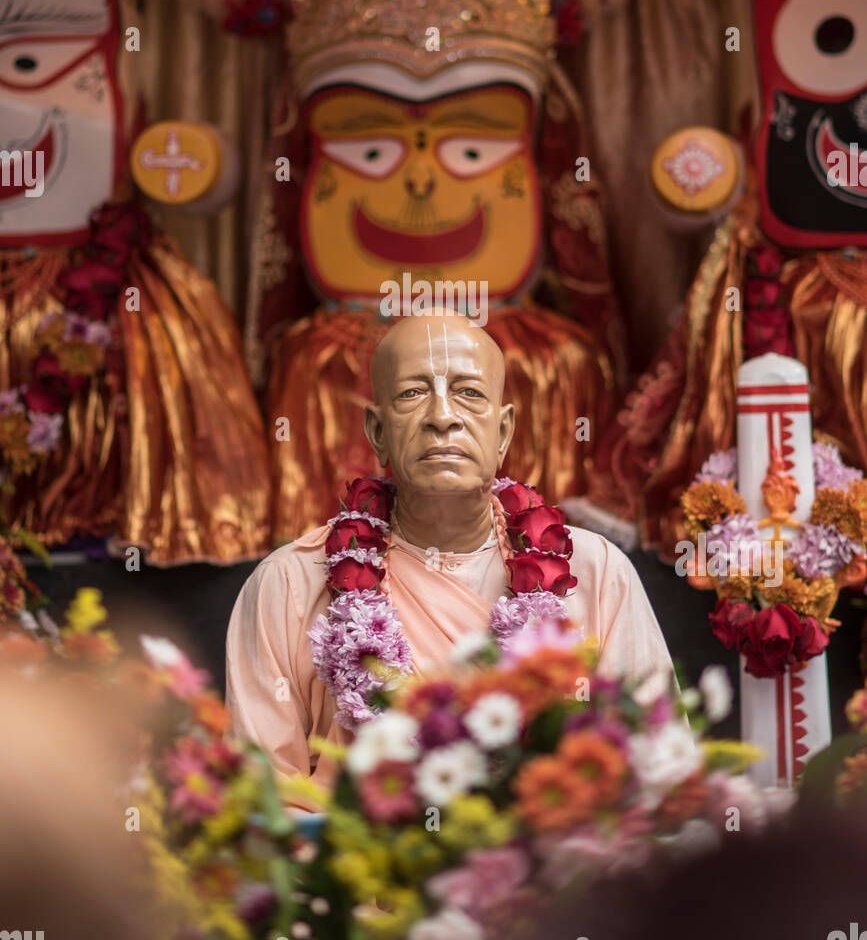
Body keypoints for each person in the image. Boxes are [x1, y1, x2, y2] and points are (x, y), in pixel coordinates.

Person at [226, 314, 673, 798]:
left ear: (504, 432)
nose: (443, 416)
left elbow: (655, 777)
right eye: (413, 394)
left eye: (469, 393)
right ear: (377, 432)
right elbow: (262, 806)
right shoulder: (289, 584)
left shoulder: (594, 573)